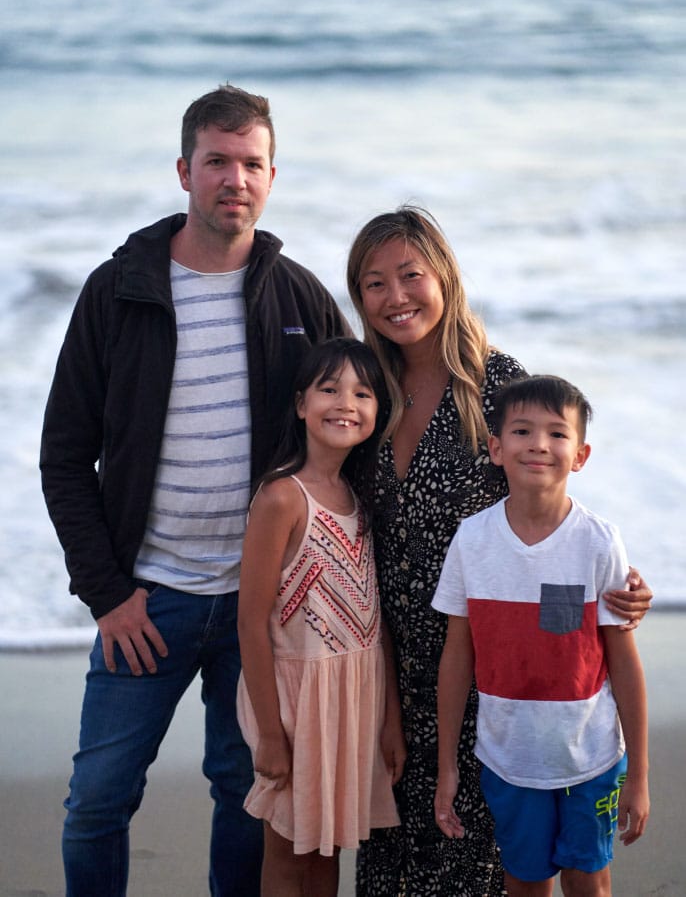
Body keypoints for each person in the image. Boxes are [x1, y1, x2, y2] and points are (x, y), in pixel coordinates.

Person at [39, 84, 350, 897]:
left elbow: (360, 422)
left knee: (245, 792)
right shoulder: (117, 291)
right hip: (148, 601)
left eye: (251, 163)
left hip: (264, 605)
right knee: (97, 799)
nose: (234, 179)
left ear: (273, 175)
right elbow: (64, 456)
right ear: (184, 171)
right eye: (217, 161)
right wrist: (108, 595)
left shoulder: (299, 297)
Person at [345, 205, 653, 896]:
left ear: (444, 278)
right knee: (396, 862)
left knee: (500, 867)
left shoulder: (497, 384)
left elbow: (551, 496)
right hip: (390, 662)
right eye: (374, 282)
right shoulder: (366, 388)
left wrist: (619, 582)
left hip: (499, 675)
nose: (395, 296)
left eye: (410, 275)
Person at [433, 374, 650, 896]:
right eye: (522, 431)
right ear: (495, 448)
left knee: (588, 881)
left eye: (557, 433)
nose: (538, 444)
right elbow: (457, 657)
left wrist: (639, 776)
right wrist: (446, 767)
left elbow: (623, 661)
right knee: (525, 884)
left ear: (580, 455)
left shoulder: (599, 541)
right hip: (508, 758)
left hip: (592, 757)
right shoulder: (472, 540)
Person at [236, 337, 405, 897]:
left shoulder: (358, 495)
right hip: (296, 702)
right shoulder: (282, 498)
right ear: (301, 404)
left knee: (327, 846)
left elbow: (373, 619)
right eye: (329, 389)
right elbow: (250, 623)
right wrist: (270, 735)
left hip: (354, 698)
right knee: (288, 851)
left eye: (362, 393)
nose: (345, 404)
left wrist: (390, 718)